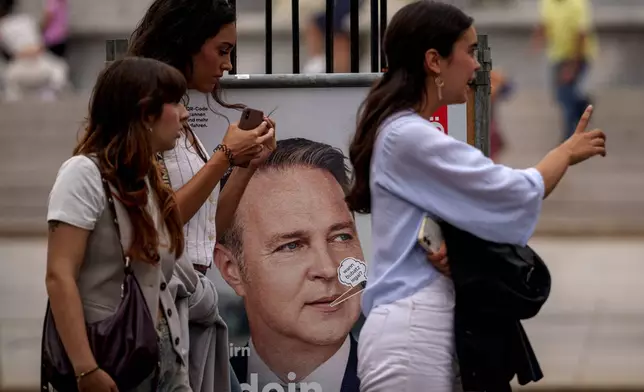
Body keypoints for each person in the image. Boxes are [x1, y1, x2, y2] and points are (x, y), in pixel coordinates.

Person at [346, 1, 606, 391]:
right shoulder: (408, 135)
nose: (477, 66)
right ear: (434, 60)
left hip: (422, 332)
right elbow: (513, 192)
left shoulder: (408, 132)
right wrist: (563, 154)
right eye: (468, 52)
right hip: (411, 336)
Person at [216, 138, 448, 392]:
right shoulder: (201, 383)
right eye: (291, 245)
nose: (328, 269)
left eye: (341, 237)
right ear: (231, 268)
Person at [128, 0, 276, 390]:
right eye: (222, 51)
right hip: (163, 309)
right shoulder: (144, 114)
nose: (227, 65)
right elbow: (160, 223)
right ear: (186, 43)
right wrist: (223, 157)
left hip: (191, 305)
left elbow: (207, 230)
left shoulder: (179, 118)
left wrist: (246, 165)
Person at [45, 57, 194, 391]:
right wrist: (86, 369)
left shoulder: (146, 179)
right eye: (174, 102)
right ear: (145, 112)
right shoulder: (83, 173)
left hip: (161, 363)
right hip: (109, 363)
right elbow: (59, 275)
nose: (184, 113)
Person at [532, 0, 596, 141]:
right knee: (560, 96)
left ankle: (569, 136)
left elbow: (581, 35)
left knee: (565, 96)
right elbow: (544, 23)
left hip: (578, 56)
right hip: (557, 55)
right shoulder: (547, 3)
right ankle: (583, 103)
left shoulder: (578, 4)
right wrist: (538, 39)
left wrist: (572, 66)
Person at [0, 0, 68, 100]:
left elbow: (38, 44)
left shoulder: (25, 21)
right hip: (21, 63)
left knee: (59, 69)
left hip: (36, 61)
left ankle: (47, 91)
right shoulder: (15, 23)